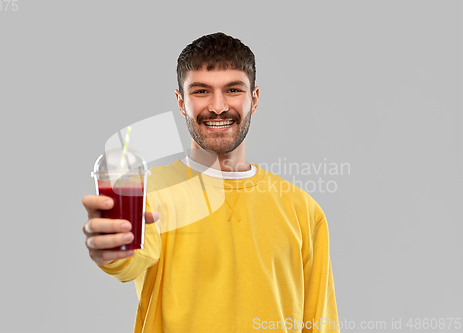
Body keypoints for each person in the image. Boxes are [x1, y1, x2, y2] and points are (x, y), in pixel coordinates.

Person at [82, 32, 340, 332]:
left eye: (232, 89)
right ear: (181, 102)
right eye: (201, 91)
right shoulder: (151, 193)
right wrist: (114, 251)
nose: (218, 106)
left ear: (253, 99)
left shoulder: (303, 210)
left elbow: (320, 323)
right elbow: (131, 258)